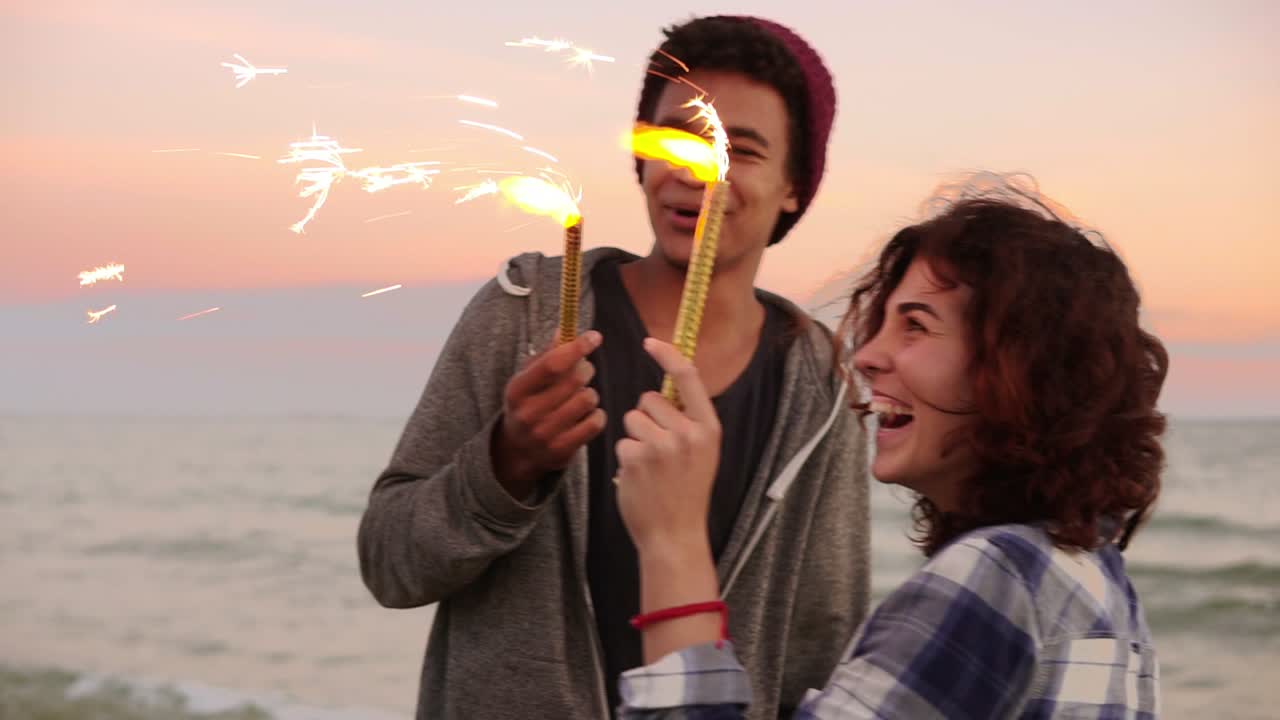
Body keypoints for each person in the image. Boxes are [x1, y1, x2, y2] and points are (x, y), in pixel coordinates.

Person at [356, 15, 872, 719]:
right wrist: (505, 464)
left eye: (740, 150)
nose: (697, 171)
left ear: (792, 186)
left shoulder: (821, 388)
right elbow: (391, 564)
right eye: (675, 139)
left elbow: (821, 652)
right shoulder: (526, 314)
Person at [614, 175, 1167, 719]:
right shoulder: (1097, 581)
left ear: (1023, 369)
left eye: (916, 328)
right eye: (879, 326)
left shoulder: (998, 576)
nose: (867, 356)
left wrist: (674, 543)